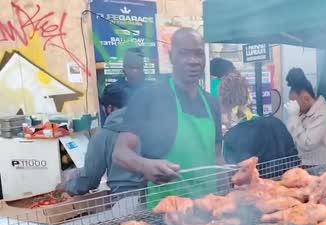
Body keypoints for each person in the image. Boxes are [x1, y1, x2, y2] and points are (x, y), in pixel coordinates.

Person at [112, 28, 222, 206]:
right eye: (184, 54)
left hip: (208, 209)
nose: (193, 61)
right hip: (165, 214)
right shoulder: (149, 97)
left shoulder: (212, 103)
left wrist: (230, 186)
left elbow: (217, 157)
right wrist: (144, 165)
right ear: (171, 57)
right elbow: (120, 153)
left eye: (198, 54)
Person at [58, 83, 145, 195]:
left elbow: (89, 181)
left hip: (124, 201)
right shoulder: (146, 126)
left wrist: (67, 186)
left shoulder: (102, 136)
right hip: (153, 197)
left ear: (109, 108)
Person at [219, 71, 299, 175]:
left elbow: (235, 177)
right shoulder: (277, 123)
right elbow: (294, 160)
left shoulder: (231, 138)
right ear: (249, 99)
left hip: (256, 190)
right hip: (287, 188)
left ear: (226, 105)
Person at [285, 68, 326, 166]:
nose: (293, 106)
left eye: (294, 102)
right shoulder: (301, 112)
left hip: (322, 167)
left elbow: (307, 144)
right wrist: (293, 116)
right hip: (305, 165)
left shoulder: (322, 113)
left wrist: (294, 117)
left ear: (306, 98)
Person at [99, 48, 147, 125]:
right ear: (124, 68)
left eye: (138, 67)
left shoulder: (151, 90)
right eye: (132, 67)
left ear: (143, 68)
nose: (135, 71)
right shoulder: (112, 91)